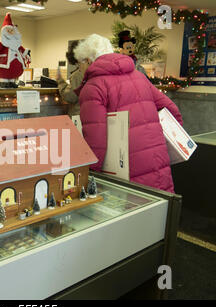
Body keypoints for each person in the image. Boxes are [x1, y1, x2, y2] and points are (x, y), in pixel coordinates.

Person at [74, 34, 183, 193]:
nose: (80, 69)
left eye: (79, 64)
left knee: (133, 214)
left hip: (125, 171)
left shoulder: (93, 87)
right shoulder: (139, 76)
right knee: (161, 212)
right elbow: (172, 110)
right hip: (157, 160)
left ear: (88, 61)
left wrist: (89, 173)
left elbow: (95, 141)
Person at [0, 12, 31, 88]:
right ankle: (4, 83)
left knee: (12, 80)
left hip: (15, 71)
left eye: (12, 30)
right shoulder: (2, 44)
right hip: (3, 64)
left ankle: (11, 82)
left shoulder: (17, 44)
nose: (11, 32)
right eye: (8, 31)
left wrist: (27, 53)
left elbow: (23, 50)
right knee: (4, 76)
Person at [56, 40, 86, 117]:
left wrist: (60, 81)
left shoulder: (79, 75)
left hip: (79, 117)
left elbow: (70, 97)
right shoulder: (95, 72)